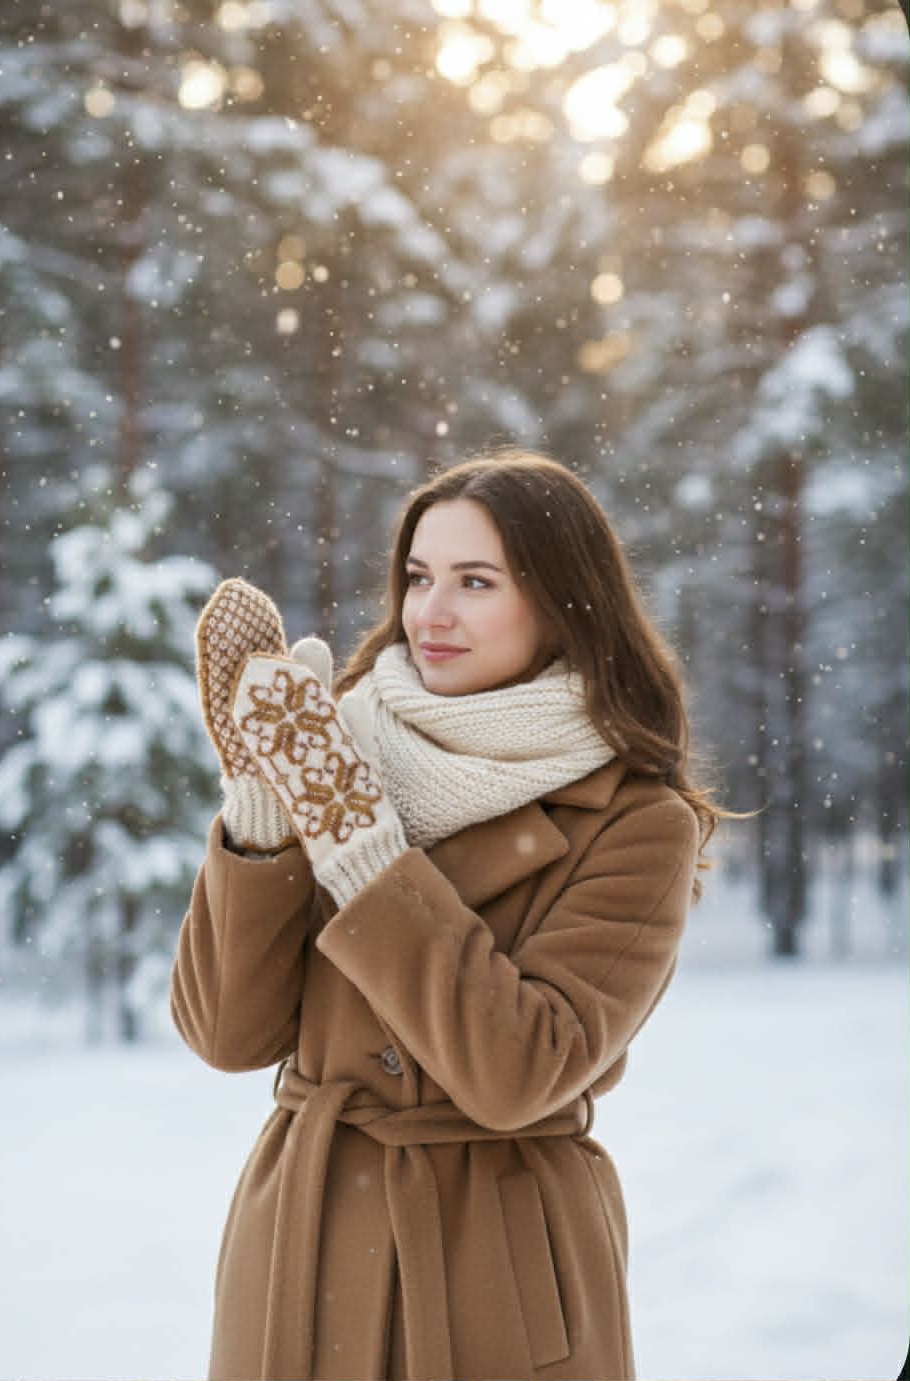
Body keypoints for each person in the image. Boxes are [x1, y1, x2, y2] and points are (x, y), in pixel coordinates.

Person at [170, 449, 723, 1380]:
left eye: (476, 581)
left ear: (561, 599)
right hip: (303, 1251)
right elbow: (228, 1032)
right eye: (419, 577)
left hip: (493, 1272)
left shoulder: (635, 823)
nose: (431, 612)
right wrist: (265, 814)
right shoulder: (337, 743)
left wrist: (359, 843)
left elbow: (517, 1070)